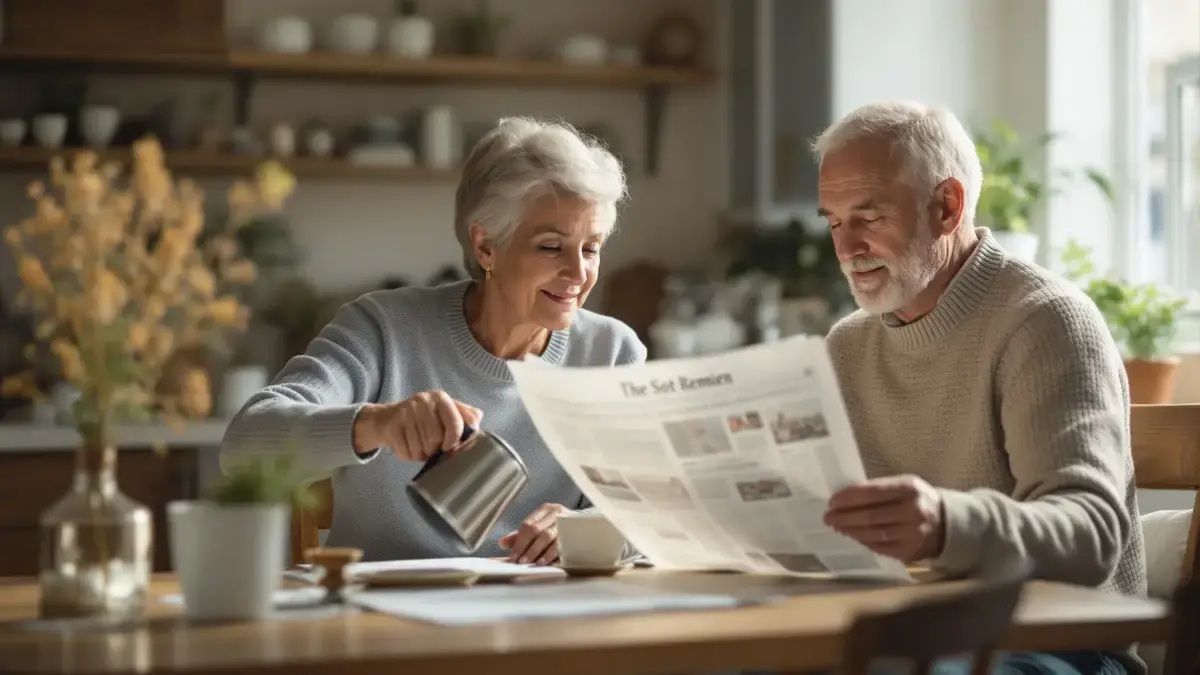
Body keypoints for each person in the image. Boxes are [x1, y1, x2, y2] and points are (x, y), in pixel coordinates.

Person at [811, 100, 1147, 675]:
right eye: (835, 223)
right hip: (907, 636)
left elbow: (1090, 537)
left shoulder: (1045, 321)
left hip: (1060, 647)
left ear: (947, 206)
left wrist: (945, 524)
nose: (847, 250)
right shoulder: (846, 346)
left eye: (870, 217)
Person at [220, 117, 646, 566]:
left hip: (540, 604)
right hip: (382, 605)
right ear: (485, 245)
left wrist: (588, 528)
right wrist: (377, 424)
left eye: (591, 248)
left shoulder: (611, 354)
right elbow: (243, 447)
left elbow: (655, 515)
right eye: (550, 246)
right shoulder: (383, 329)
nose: (578, 273)